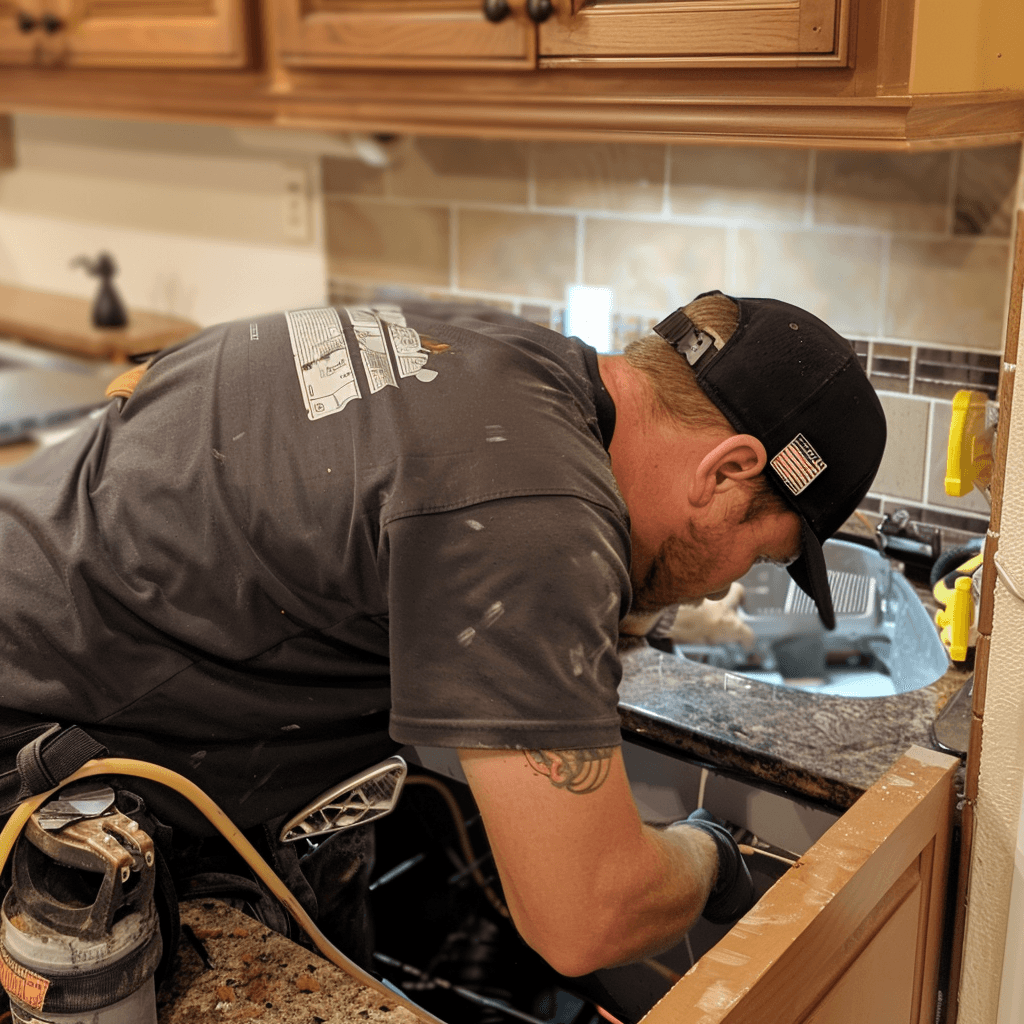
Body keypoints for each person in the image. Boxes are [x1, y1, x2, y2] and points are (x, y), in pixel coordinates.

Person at [0, 289, 885, 980]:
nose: (732, 581)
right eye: (760, 553)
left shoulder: (508, 358)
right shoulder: (537, 521)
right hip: (35, 752)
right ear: (729, 468)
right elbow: (588, 916)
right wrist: (713, 859)